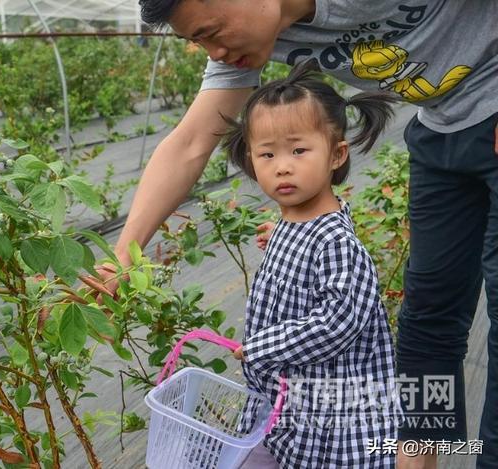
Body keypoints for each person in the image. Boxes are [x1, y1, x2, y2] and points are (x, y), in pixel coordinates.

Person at [93, 2, 498, 467]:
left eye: (211, 32)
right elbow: (189, 141)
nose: (214, 51)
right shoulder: (242, 44)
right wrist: (125, 253)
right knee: (430, 315)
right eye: (198, 41)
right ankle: (421, 458)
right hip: (440, 126)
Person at [220, 59, 399, 467]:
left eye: (299, 150)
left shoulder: (337, 241)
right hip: (293, 401)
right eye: (267, 154)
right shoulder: (292, 224)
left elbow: (336, 323)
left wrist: (260, 347)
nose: (282, 165)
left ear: (336, 155)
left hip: (335, 416)